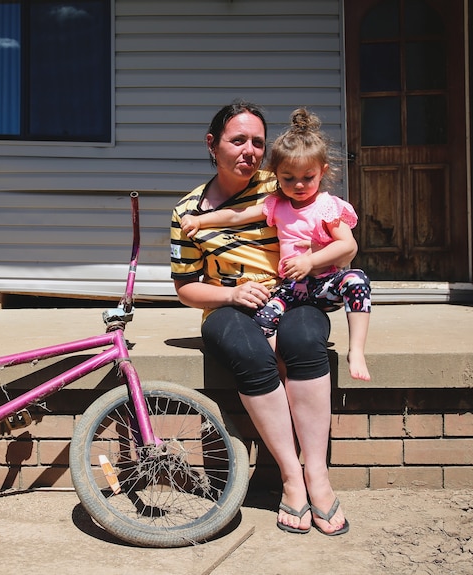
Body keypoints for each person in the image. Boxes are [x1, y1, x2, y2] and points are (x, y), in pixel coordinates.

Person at [170, 100, 351, 536]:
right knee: (250, 353)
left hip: (294, 296)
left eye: (257, 142)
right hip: (228, 306)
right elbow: (186, 288)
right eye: (238, 141)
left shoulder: (286, 182)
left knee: (305, 342)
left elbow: (334, 237)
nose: (250, 150)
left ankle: (318, 477)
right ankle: (292, 478)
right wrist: (232, 293)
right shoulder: (187, 212)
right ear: (213, 145)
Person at [180, 108, 372, 381]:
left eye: (308, 177)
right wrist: (202, 221)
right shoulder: (277, 203)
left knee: (357, 281)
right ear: (277, 175)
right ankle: (276, 377)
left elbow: (346, 246)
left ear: (322, 172)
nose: (299, 185)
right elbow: (237, 215)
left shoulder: (327, 206)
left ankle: (357, 350)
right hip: (291, 290)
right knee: (262, 323)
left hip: (323, 284)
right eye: (289, 178)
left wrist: (310, 261)